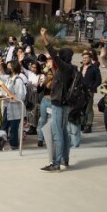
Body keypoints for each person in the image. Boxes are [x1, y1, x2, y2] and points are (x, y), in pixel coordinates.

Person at [39, 28, 75, 171]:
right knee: (64, 132)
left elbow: (52, 53)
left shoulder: (64, 67)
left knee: (58, 133)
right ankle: (65, 159)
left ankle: (56, 163)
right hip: (65, 103)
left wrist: (44, 37)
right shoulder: (72, 68)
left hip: (59, 103)